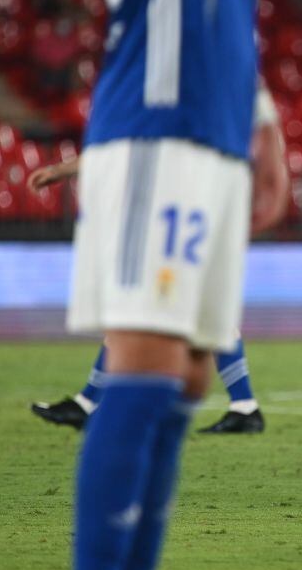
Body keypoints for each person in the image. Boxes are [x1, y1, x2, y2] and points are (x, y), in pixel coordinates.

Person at [70, 0, 262, 570]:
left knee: (187, 376)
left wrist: (262, 117)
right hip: (157, 117)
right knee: (147, 365)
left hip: (216, 123)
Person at [29, 86, 288, 435]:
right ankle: (244, 406)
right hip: (188, 220)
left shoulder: (176, 111)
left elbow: (125, 149)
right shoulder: (198, 111)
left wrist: (66, 170)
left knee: (145, 309)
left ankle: (90, 403)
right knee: (195, 311)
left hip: (182, 224)